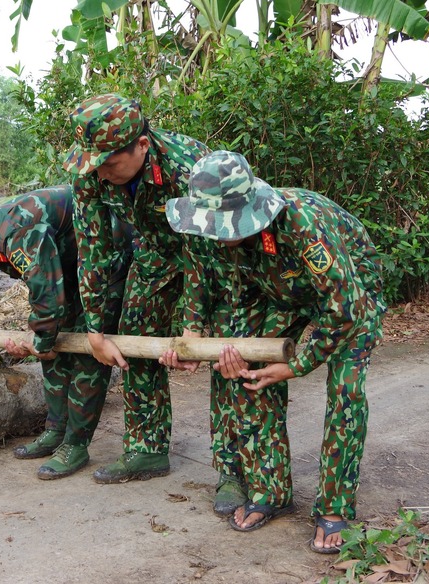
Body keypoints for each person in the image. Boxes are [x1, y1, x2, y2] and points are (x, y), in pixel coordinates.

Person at [161, 150, 385, 553]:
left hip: (351, 293)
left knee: (346, 393)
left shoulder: (302, 224)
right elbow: (208, 280)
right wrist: (196, 340)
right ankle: (271, 490)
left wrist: (296, 365)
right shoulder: (212, 231)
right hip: (280, 294)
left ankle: (335, 507)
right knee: (246, 373)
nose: (217, 234)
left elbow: (344, 309)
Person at [0, 187, 131, 479]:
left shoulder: (16, 231)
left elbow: (46, 294)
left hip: (110, 259)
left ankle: (76, 444)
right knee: (53, 342)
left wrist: (41, 340)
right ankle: (56, 430)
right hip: (74, 269)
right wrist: (42, 339)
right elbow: (46, 294)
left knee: (87, 349)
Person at [62, 93, 211, 483]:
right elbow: (92, 248)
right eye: (94, 164)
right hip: (155, 253)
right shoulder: (91, 171)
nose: (100, 173)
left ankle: (236, 471)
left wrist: (193, 325)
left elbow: (201, 250)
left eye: (109, 163)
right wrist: (94, 328)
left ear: (142, 146)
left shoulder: (188, 168)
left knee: (225, 353)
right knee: (135, 336)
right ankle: (147, 451)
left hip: (215, 258)